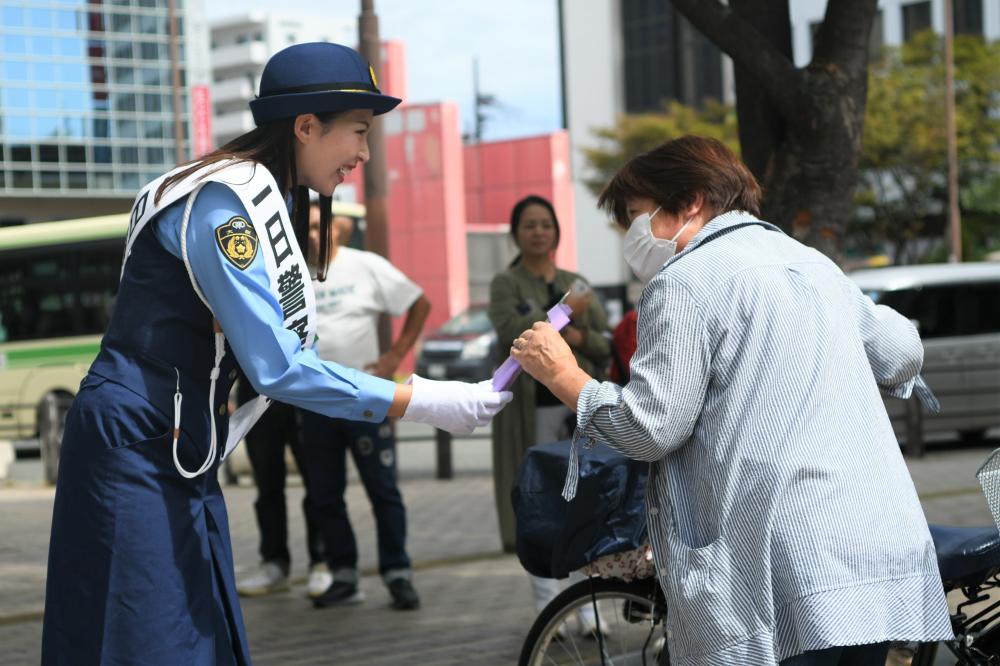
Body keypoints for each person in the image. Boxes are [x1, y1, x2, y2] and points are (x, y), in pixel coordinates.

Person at [41, 42, 511, 665]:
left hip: (173, 437)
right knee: (145, 634)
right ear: (306, 126)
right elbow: (279, 366)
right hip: (139, 441)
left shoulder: (255, 196)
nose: (365, 155)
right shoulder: (226, 205)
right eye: (359, 133)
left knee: (189, 627)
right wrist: (424, 400)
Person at [510, 136, 952, 665]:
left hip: (782, 563)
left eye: (637, 215)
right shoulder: (814, 263)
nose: (633, 234)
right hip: (871, 548)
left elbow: (652, 428)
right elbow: (901, 351)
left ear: (691, 201)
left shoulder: (684, 282)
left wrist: (562, 373)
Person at [300, 199, 431, 610]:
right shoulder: (291, 273)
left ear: (338, 227)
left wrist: (394, 357)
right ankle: (344, 575)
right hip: (313, 400)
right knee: (324, 494)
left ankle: (398, 573)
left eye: (321, 225)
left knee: (382, 489)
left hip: (365, 399)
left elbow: (419, 303)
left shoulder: (365, 265)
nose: (315, 233)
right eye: (307, 226)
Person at [487, 194, 611, 618]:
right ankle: (548, 606)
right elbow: (514, 331)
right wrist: (563, 314)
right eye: (529, 225)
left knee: (582, 503)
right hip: (528, 412)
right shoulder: (506, 283)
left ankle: (587, 608)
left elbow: (602, 343)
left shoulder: (579, 281)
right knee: (539, 502)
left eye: (545, 224)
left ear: (557, 231)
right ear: (516, 234)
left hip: (574, 410)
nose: (538, 232)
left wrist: (576, 339)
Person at [233, 371, 329, 599]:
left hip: (301, 383)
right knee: (266, 483)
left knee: (317, 481)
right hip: (256, 386)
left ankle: (322, 561)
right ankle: (274, 564)